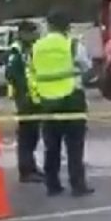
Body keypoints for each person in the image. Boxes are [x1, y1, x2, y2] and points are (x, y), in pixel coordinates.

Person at [30, 10, 94, 197]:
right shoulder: (73, 45)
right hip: (72, 99)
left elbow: (32, 71)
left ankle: (52, 185)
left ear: (48, 25)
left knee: (51, 146)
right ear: (67, 26)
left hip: (47, 101)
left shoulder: (37, 47)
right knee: (74, 146)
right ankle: (77, 185)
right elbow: (87, 67)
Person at [5, 20, 44, 183]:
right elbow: (11, 73)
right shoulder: (16, 50)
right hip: (24, 99)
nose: (36, 35)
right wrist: (23, 91)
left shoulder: (30, 48)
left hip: (33, 98)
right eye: (32, 32)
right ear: (23, 34)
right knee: (26, 136)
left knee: (33, 135)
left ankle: (32, 167)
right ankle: (26, 171)